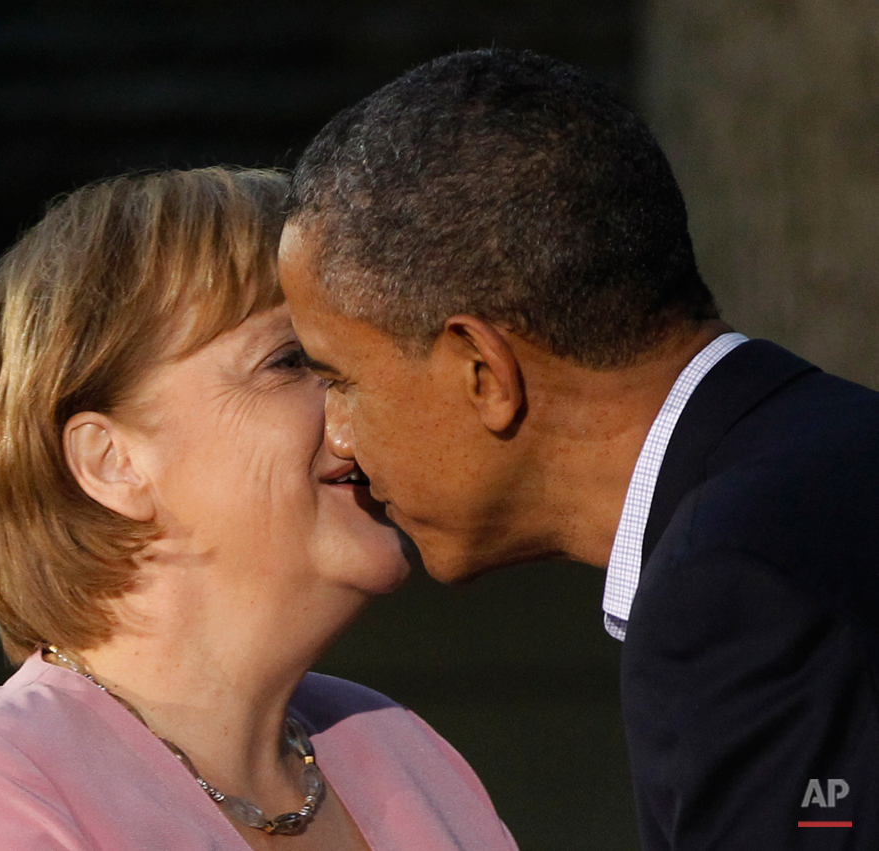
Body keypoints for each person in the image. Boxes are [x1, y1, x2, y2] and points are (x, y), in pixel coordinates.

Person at [279, 48, 879, 849]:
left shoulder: (732, 588)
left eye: (340, 378)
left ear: (482, 370)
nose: (339, 440)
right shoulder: (830, 462)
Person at [0, 168, 518, 851]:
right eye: (292, 360)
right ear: (112, 463)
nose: (361, 410)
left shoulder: (399, 748)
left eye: (348, 361)